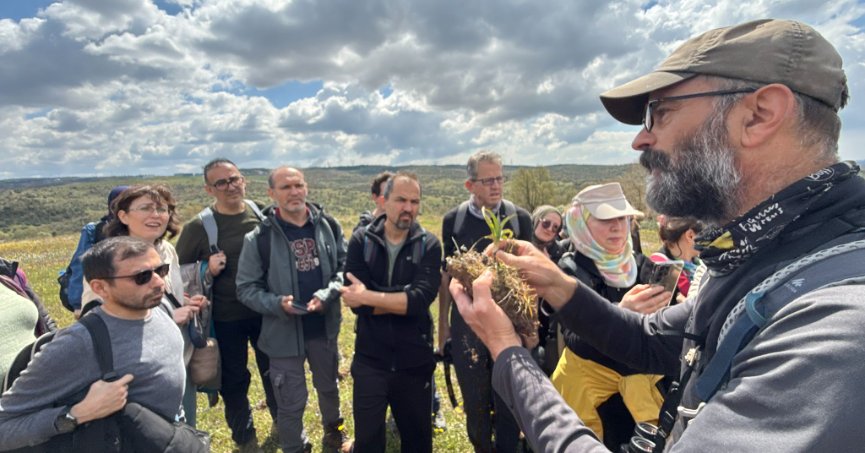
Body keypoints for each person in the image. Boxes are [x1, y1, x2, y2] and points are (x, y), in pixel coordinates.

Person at [451, 19, 865, 452]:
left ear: (759, 115)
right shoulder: (771, 254)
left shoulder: (832, 331)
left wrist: (507, 350)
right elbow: (652, 340)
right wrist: (558, 284)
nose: (640, 139)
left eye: (660, 112)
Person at [0, 237, 185, 450]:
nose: (159, 282)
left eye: (161, 270)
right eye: (141, 277)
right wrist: (75, 414)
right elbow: (4, 425)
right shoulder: (80, 344)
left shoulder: (160, 308)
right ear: (100, 287)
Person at [236, 167, 352, 453]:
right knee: (290, 400)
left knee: (329, 389)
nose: (294, 192)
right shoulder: (259, 238)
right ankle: (294, 447)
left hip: (323, 328)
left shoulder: (328, 226)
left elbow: (344, 267)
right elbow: (246, 288)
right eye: (285, 187)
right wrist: (277, 304)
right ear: (271, 193)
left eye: (298, 185)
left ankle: (335, 432)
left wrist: (327, 295)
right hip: (283, 333)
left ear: (306, 187)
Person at [552, 183, 667, 449]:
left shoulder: (640, 264)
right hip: (588, 386)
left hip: (638, 378)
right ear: (581, 222)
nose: (617, 227)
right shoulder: (569, 271)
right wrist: (620, 313)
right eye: (606, 219)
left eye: (623, 218)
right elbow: (573, 339)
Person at [82, 185, 208, 427]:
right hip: (136, 371)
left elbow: (164, 294)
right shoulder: (107, 258)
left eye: (162, 209)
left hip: (176, 358)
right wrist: (169, 317)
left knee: (184, 429)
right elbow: (96, 315)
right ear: (123, 216)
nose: (156, 215)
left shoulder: (166, 250)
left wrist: (184, 302)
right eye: (146, 208)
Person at [175, 158, 277, 452]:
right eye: (221, 182)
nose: (230, 186)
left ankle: (283, 422)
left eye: (234, 179)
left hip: (265, 311)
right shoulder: (199, 227)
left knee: (275, 372)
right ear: (209, 189)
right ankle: (245, 439)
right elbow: (176, 272)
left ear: (244, 180)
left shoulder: (261, 213)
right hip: (226, 316)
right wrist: (207, 267)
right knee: (234, 379)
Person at [341, 172, 442, 453]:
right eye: (401, 200)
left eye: (414, 201)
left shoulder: (429, 244)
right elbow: (354, 302)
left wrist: (368, 295)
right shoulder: (361, 240)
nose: (408, 208)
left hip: (414, 361)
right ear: (384, 201)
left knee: (417, 443)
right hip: (370, 360)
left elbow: (420, 300)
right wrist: (400, 299)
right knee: (368, 443)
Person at [438, 150, 532, 453]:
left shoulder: (520, 219)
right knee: (474, 397)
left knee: (509, 398)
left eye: (500, 178)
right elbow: (447, 275)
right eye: (488, 180)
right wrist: (443, 326)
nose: (496, 186)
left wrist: (530, 326)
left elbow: (529, 276)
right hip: (467, 323)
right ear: (470, 185)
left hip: (509, 324)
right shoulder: (454, 220)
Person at [63, 185, 127, 316]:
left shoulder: (140, 228)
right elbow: (80, 266)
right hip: (98, 297)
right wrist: (78, 304)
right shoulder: (95, 230)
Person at [650, 216, 704, 300]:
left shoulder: (700, 263)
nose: (708, 240)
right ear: (690, 236)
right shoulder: (659, 265)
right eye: (704, 235)